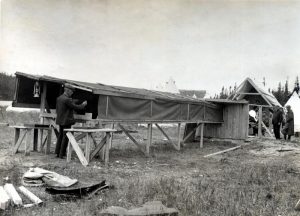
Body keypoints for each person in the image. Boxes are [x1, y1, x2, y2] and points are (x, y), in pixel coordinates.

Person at [55, 84, 87, 158]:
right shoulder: (67, 99)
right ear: (68, 91)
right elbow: (76, 107)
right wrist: (83, 105)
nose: (72, 93)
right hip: (66, 121)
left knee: (60, 136)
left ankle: (57, 153)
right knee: (65, 137)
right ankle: (62, 154)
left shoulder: (59, 98)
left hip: (60, 120)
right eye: (71, 92)